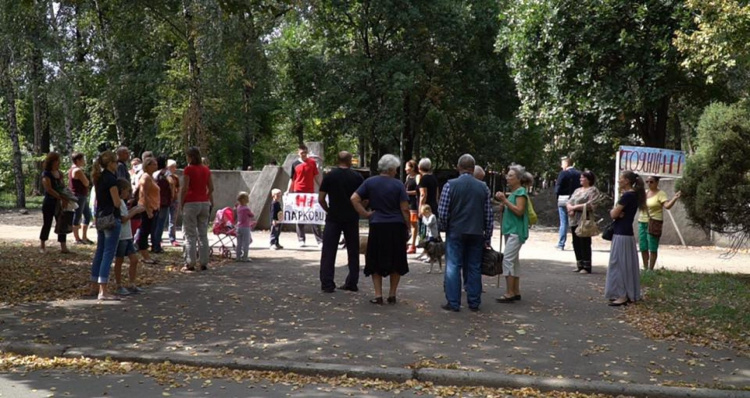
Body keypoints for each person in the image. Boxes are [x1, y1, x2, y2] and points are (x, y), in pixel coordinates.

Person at [437, 154, 493, 312]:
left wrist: (443, 227)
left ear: (458, 167)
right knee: (474, 266)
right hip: (476, 232)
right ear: (473, 168)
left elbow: (443, 211)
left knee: (453, 266)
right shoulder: (483, 187)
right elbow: (488, 214)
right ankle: (474, 302)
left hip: (455, 231)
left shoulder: (450, 185)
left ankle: (453, 303)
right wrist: (487, 236)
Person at [351, 154, 410, 305]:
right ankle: (392, 294)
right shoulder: (398, 185)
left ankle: (378, 295)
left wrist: (365, 214)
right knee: (396, 260)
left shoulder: (370, 182)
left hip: (377, 225)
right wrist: (408, 226)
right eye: (395, 169)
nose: (396, 172)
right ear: (390, 169)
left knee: (375, 259)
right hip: (396, 226)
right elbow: (404, 208)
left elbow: (354, 198)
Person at [318, 151, 364, 293]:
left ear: (337, 160)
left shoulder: (330, 175)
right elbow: (365, 197)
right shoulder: (357, 177)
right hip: (351, 217)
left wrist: (328, 210)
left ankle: (327, 284)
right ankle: (352, 282)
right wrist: (359, 210)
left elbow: (321, 198)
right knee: (353, 250)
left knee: (328, 251)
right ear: (350, 161)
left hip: (334, 216)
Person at [605, 171, 646, 306]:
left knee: (619, 264)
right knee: (625, 264)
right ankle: (626, 292)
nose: (618, 181)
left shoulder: (627, 196)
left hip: (621, 233)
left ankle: (622, 294)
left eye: (621, 178)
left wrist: (615, 212)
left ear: (627, 181)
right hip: (625, 233)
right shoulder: (633, 195)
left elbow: (613, 214)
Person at [495, 164, 533, 303]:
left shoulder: (520, 193)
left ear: (518, 179)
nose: (507, 178)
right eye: (507, 175)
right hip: (510, 230)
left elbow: (519, 211)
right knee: (514, 261)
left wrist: (505, 201)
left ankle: (510, 292)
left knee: (508, 260)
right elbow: (512, 209)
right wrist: (503, 205)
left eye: (510, 176)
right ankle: (515, 291)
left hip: (516, 231)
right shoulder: (514, 193)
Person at [88, 151, 123, 301]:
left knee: (100, 251)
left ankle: (94, 284)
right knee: (108, 253)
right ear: (110, 164)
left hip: (100, 217)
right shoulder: (111, 179)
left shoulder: (99, 178)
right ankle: (103, 290)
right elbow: (116, 202)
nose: (117, 165)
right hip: (111, 217)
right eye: (115, 162)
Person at [178, 146, 214, 272]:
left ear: (191, 157)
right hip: (204, 203)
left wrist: (181, 203)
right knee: (203, 234)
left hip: (191, 203)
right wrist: (205, 197)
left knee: (190, 234)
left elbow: (185, 187)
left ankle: (190, 262)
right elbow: (211, 188)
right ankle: (204, 262)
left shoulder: (188, 169)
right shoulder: (206, 169)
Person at [639, 177, 681, 270]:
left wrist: (674, 198)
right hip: (642, 221)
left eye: (651, 182)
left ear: (657, 182)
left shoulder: (661, 194)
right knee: (643, 246)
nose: (649, 183)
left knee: (652, 246)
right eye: (647, 181)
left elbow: (667, 206)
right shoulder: (644, 193)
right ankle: (645, 268)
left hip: (654, 222)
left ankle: (651, 269)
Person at [113, 179, 146, 296]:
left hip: (128, 236)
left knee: (134, 259)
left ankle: (132, 283)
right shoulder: (119, 202)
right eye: (127, 191)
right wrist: (135, 211)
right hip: (121, 236)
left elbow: (126, 214)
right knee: (119, 260)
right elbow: (123, 219)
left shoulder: (123, 202)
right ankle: (118, 285)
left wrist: (135, 209)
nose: (129, 193)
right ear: (122, 191)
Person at [287, 144, 323, 247]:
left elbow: (316, 177)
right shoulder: (295, 164)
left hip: (310, 193)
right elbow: (292, 179)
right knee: (299, 215)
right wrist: (288, 190)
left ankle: (319, 240)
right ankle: (301, 239)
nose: (303, 155)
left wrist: (322, 187)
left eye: (305, 153)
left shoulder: (312, 163)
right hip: (298, 192)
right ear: (298, 153)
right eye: (302, 153)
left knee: (314, 215)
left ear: (307, 153)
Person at [566, 170, 601, 273]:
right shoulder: (577, 190)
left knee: (584, 241)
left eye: (583, 178)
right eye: (580, 177)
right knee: (575, 241)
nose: (581, 179)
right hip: (574, 219)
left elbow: (592, 205)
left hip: (584, 218)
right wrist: (570, 208)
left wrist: (575, 207)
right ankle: (579, 264)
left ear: (589, 179)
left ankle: (586, 266)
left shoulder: (593, 190)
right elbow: (569, 201)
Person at [39, 152, 70, 254]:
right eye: (56, 161)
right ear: (51, 162)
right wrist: (60, 197)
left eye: (58, 161)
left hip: (59, 202)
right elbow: (48, 189)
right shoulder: (46, 174)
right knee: (47, 223)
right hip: (49, 202)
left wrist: (66, 197)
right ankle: (42, 245)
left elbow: (63, 187)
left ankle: (63, 246)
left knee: (62, 223)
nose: (58, 163)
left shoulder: (60, 173)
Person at [136, 157, 160, 264]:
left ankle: (146, 254)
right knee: (144, 231)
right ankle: (145, 256)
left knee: (149, 231)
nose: (156, 166)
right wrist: (148, 210)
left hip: (153, 207)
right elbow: (143, 194)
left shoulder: (151, 177)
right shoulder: (145, 177)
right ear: (147, 166)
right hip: (147, 208)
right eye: (153, 164)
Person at [554, 156, 581, 250]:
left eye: (562, 163)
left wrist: (557, 196)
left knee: (563, 222)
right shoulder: (578, 174)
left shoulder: (563, 174)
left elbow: (558, 187)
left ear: (566, 163)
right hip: (575, 200)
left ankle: (561, 244)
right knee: (576, 222)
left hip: (563, 199)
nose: (561, 166)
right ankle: (576, 243)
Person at [69, 152, 93, 245]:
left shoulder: (71, 169)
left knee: (87, 215)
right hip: (79, 196)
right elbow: (86, 183)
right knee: (78, 216)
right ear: (78, 160)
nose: (84, 161)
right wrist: (87, 180)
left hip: (81, 195)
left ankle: (84, 237)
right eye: (83, 159)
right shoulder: (77, 170)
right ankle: (77, 238)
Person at [151, 156, 172, 253]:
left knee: (155, 224)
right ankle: (157, 245)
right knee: (160, 224)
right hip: (164, 201)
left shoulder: (154, 174)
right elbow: (171, 183)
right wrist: (172, 195)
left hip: (155, 200)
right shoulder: (166, 173)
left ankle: (153, 244)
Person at [404, 160, 420, 254]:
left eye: (407, 166)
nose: (405, 169)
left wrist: (407, 193)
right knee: (407, 224)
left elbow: (418, 190)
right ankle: (407, 242)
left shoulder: (417, 177)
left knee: (414, 224)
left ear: (412, 168)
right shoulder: (407, 177)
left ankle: (413, 245)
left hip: (414, 203)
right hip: (407, 203)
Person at [235, 191, 255, 262]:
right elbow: (251, 215)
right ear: (243, 199)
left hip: (238, 227)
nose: (248, 199)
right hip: (245, 227)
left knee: (239, 243)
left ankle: (238, 257)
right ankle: (245, 257)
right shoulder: (246, 208)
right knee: (246, 243)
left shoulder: (238, 207)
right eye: (247, 198)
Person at [166, 159, 181, 247]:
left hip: (174, 200)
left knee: (172, 220)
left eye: (175, 167)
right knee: (162, 220)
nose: (174, 168)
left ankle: (172, 238)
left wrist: (175, 192)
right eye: (172, 167)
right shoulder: (164, 176)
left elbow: (178, 188)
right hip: (165, 201)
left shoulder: (175, 177)